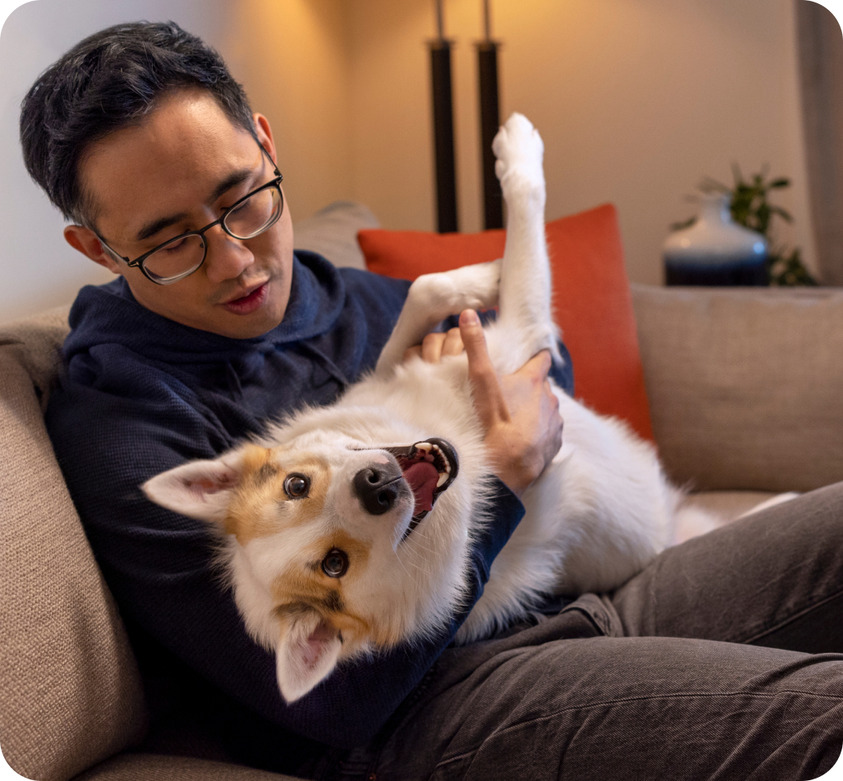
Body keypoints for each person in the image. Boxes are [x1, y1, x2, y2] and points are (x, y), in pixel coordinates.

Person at [20, 20, 843, 781]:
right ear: (96, 247)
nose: (235, 260)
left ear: (267, 142)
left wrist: (514, 421)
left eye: (242, 198)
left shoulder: (370, 303)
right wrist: (502, 477)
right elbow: (329, 699)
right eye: (169, 241)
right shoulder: (126, 430)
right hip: (438, 704)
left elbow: (549, 416)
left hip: (591, 591)